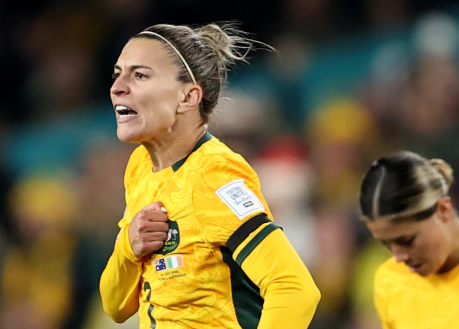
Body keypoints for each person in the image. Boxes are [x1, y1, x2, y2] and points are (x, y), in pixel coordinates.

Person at [99, 22, 320, 329]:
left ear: (188, 97)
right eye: (118, 73)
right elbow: (116, 305)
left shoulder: (212, 175)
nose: (117, 87)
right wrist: (128, 247)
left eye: (139, 75)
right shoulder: (140, 167)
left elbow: (295, 289)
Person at [359, 150, 459, 329]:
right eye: (386, 244)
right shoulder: (390, 280)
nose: (399, 257)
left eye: (407, 240)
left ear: (443, 209)